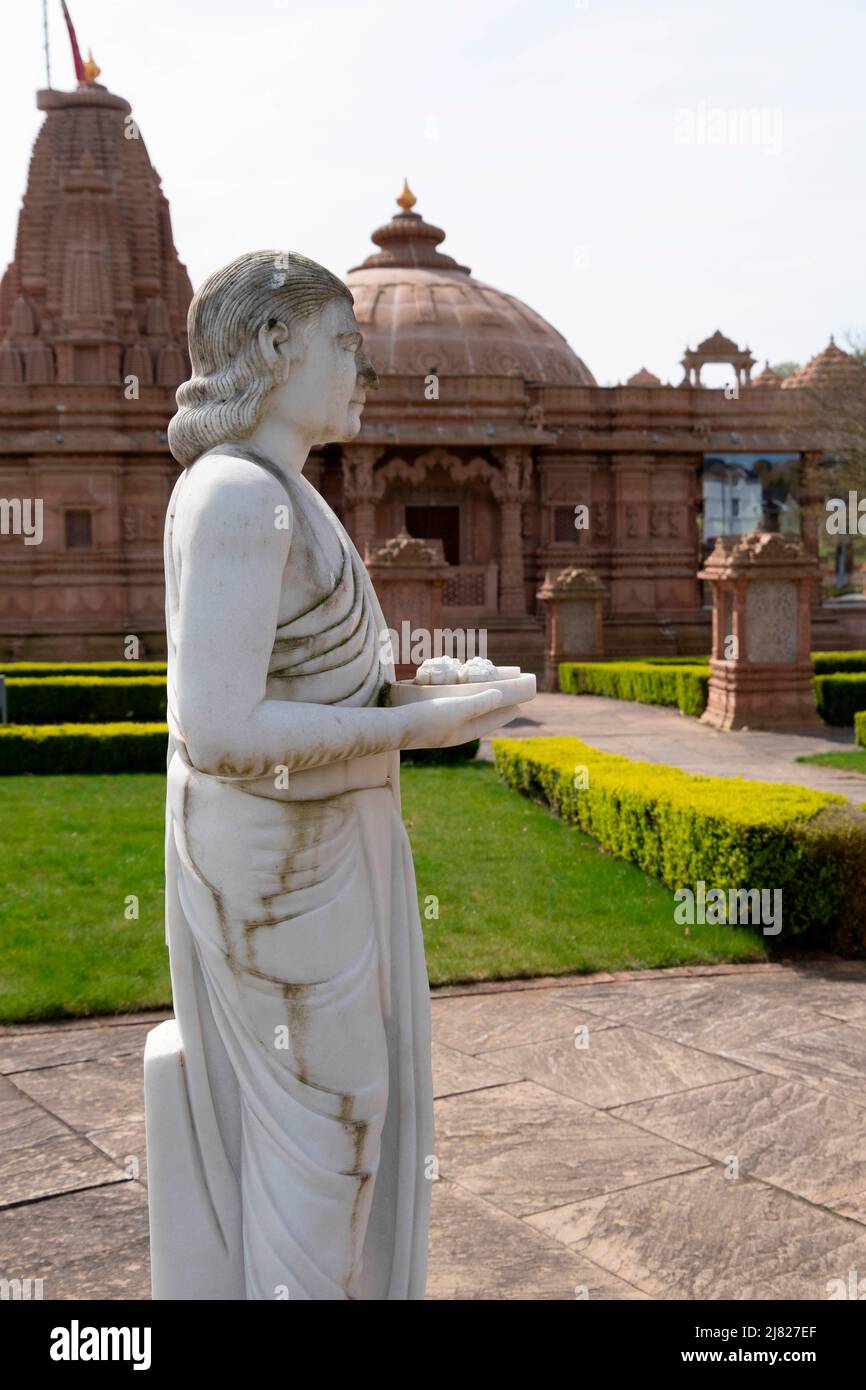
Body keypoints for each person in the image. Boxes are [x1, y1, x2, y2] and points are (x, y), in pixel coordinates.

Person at [152, 250, 522, 1300]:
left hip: (319, 846)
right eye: (346, 346)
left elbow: (310, 687)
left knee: (349, 1121)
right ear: (275, 348)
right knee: (323, 1134)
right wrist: (409, 731)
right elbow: (219, 728)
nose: (366, 369)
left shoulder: (285, 492)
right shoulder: (234, 495)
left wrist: (418, 695)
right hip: (278, 860)